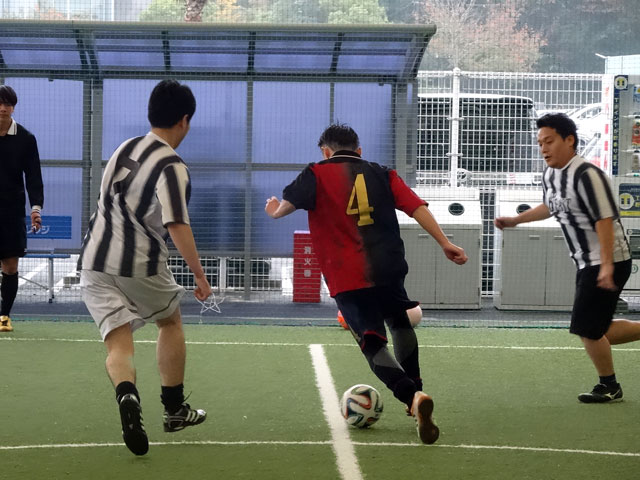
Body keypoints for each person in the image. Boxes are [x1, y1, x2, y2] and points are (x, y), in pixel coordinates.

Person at [265, 123, 467, 444]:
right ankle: (416, 388)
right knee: (399, 323)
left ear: (325, 152)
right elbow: (416, 207)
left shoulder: (315, 173)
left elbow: (284, 208)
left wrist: (274, 210)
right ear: (359, 151)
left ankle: (412, 397)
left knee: (373, 344)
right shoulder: (382, 173)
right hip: (387, 266)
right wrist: (445, 242)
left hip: (347, 274)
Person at [78, 79, 212, 456]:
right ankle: (174, 409)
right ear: (184, 120)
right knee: (170, 321)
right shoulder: (172, 165)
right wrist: (199, 274)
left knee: (118, 342)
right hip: (139, 261)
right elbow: (176, 223)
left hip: (93, 258)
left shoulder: (125, 147)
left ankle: (127, 395)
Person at [495, 112, 640, 404]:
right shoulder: (550, 175)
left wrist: (607, 266)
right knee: (596, 328)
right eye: (540, 143)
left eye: (549, 141)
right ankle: (609, 384)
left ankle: (609, 386)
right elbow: (550, 207)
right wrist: (516, 220)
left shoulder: (588, 175)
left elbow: (604, 219)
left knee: (587, 328)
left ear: (569, 140)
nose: (543, 148)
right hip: (588, 262)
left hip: (607, 260)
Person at [0, 85, 43, 333]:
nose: (3, 108)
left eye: (8, 104)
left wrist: (35, 208)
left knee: (10, 265)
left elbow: (34, 177)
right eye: (0, 103)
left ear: (13, 107)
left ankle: (4, 316)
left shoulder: (26, 138)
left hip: (11, 210)